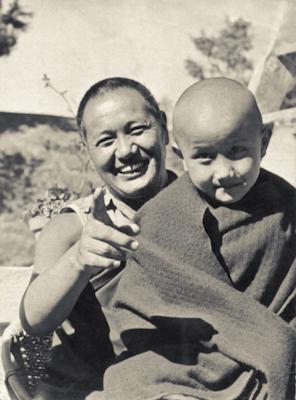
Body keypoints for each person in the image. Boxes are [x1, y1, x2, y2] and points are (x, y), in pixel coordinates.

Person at [103, 78, 296, 400]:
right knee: (129, 381)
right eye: (205, 158)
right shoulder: (162, 216)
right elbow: (134, 311)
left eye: (237, 151)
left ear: (264, 140)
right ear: (181, 156)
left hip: (277, 347)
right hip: (191, 360)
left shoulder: (286, 205)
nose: (223, 171)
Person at [19, 77, 177, 400]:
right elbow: (32, 321)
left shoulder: (203, 206)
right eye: (106, 140)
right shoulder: (73, 226)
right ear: (86, 150)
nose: (125, 151)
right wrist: (79, 259)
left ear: (163, 126)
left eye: (136, 130)